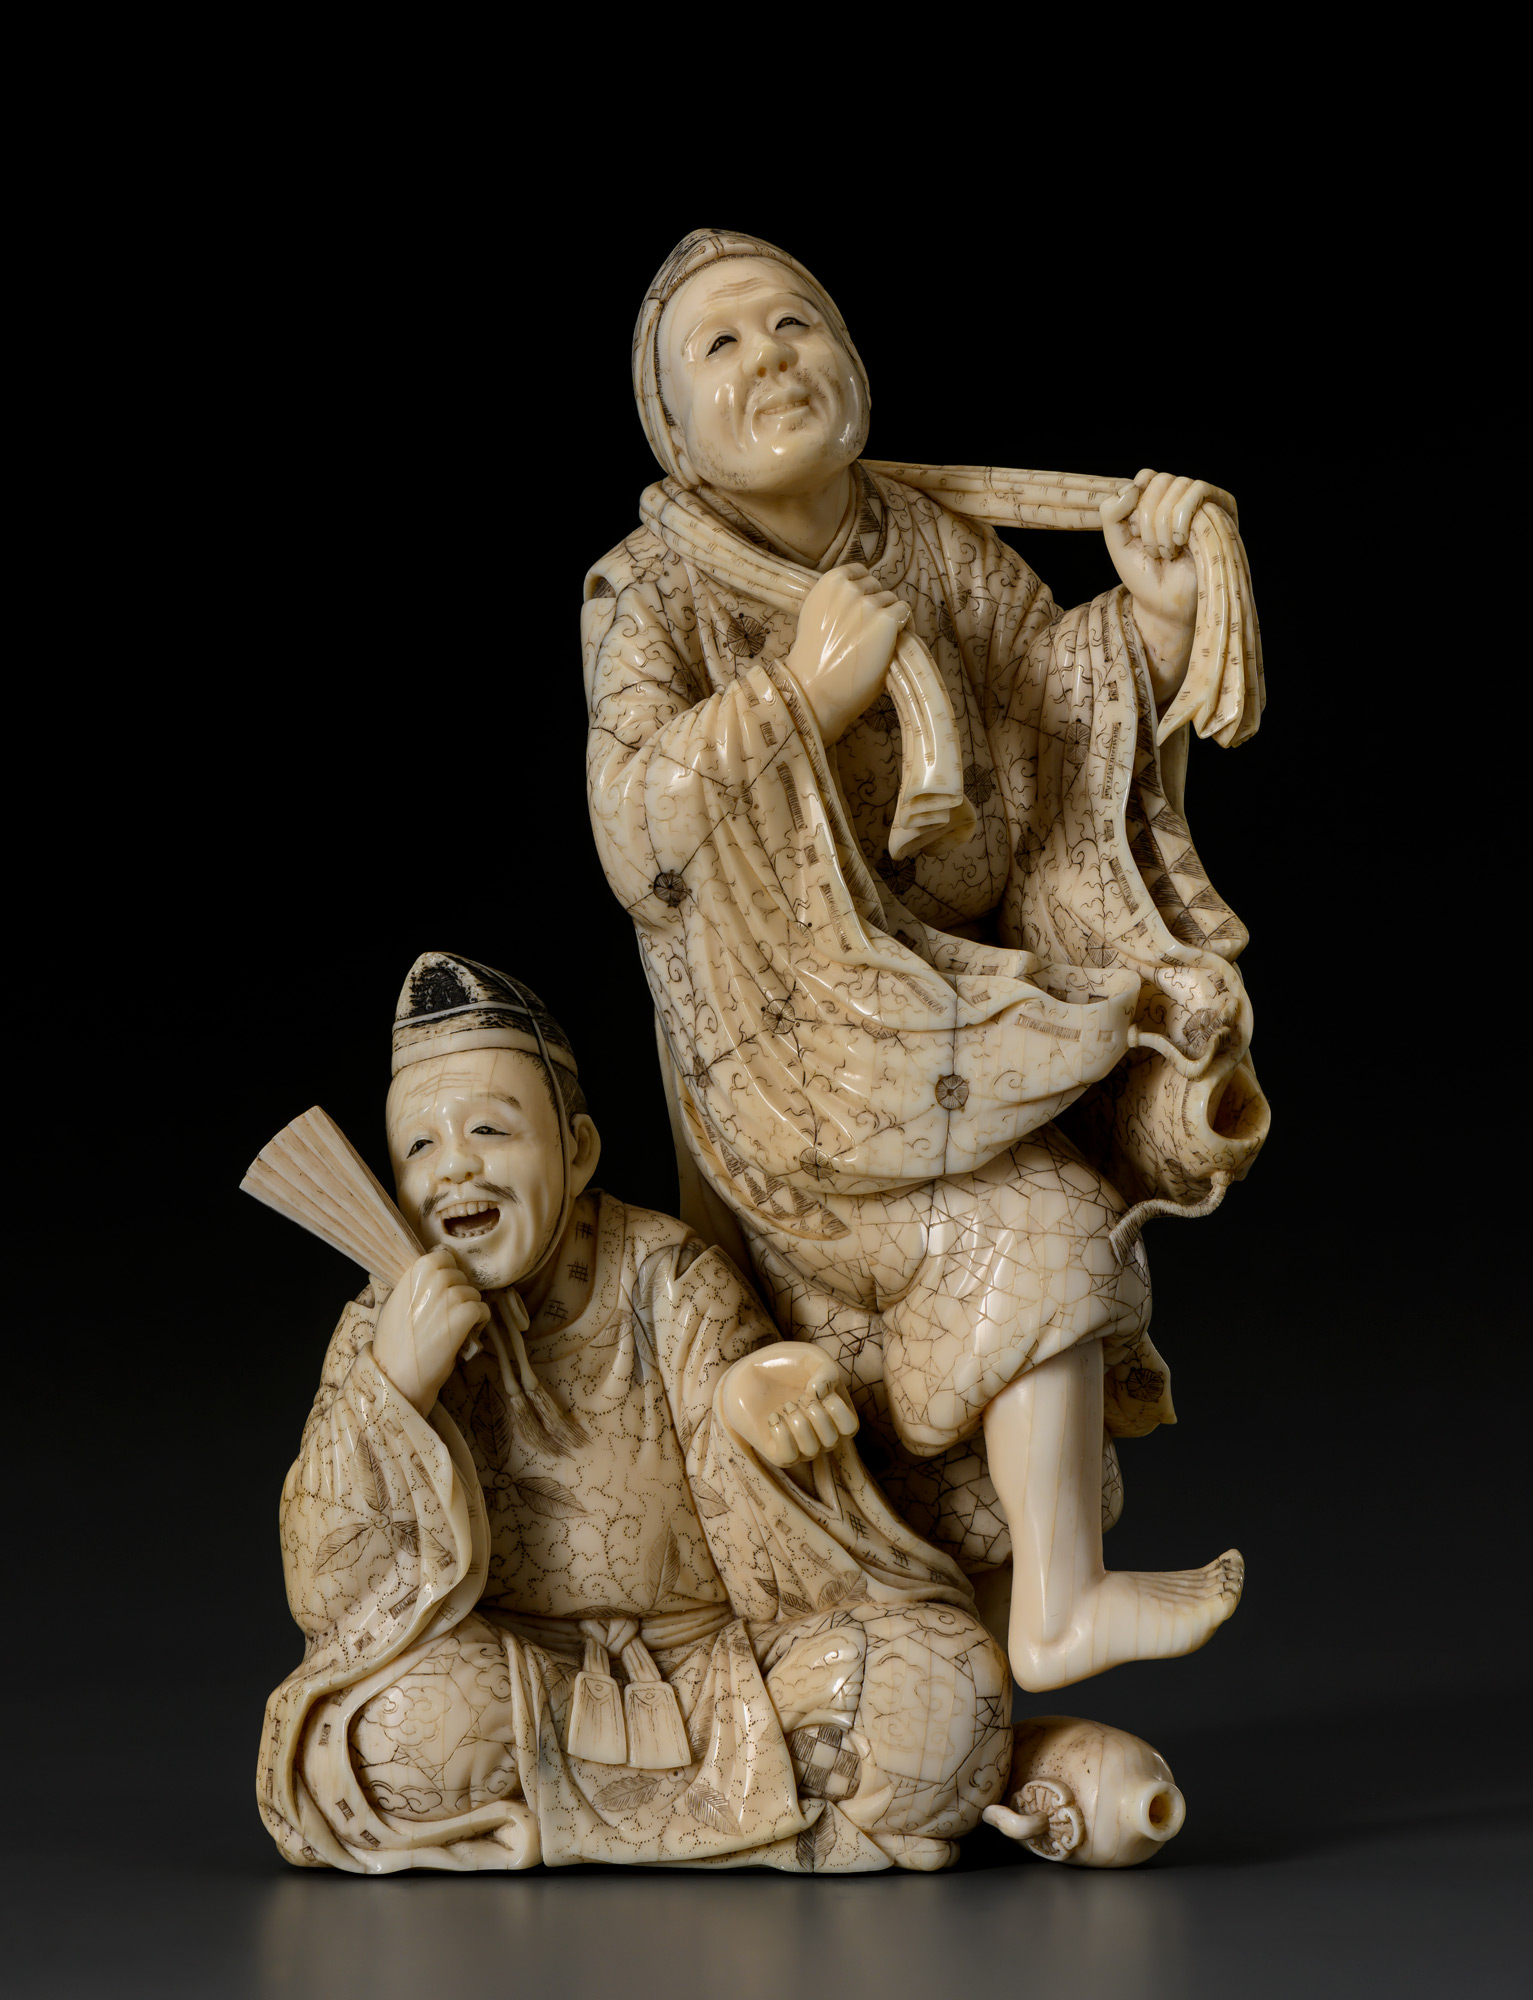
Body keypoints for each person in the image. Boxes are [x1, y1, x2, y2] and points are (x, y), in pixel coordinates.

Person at [582, 230, 1271, 1693]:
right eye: (721, 345)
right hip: (801, 1060)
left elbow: (1052, 705)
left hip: (959, 1012)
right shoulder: (647, 593)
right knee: (1033, 1219)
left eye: (797, 324)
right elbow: (633, 826)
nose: (772, 356)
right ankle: (1055, 1606)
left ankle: (1020, 1618)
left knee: (1052, 1197)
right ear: (675, 435)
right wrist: (797, 693)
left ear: (853, 365)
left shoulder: (929, 543)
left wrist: (1152, 618)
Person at [257, 953, 1012, 1874]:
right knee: (378, 1730)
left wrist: (755, 1411)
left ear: (576, 1151)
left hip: (719, 1681)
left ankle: (554, 1829)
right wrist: (392, 1390)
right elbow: (330, 1602)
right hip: (521, 1689)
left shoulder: (664, 1273)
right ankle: (774, 1822)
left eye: (488, 1130)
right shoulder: (384, 1321)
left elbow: (753, 1460)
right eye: (418, 1148)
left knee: (944, 1676)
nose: (453, 1168)